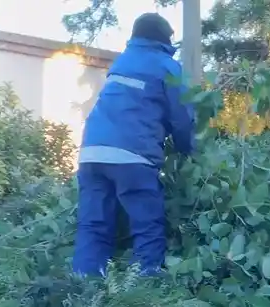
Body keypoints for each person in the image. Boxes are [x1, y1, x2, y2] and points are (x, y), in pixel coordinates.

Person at [71, 13, 196, 278]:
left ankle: (83, 290)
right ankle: (142, 291)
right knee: (147, 225)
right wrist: (189, 151)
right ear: (165, 39)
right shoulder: (166, 66)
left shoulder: (122, 61)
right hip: (132, 156)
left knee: (93, 225)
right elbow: (182, 117)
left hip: (91, 153)